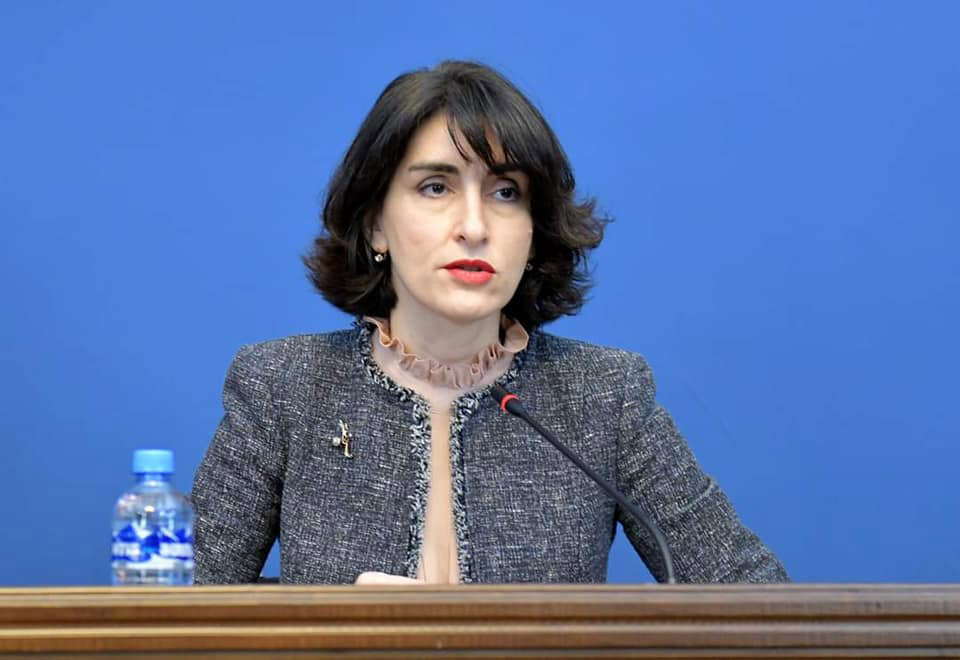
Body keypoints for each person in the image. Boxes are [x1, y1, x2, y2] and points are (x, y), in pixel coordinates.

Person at [191, 60, 789, 585]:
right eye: (435, 187)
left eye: (506, 193)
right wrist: (338, 634)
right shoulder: (286, 387)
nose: (474, 227)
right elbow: (176, 614)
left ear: (533, 231)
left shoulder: (605, 397)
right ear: (376, 225)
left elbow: (759, 607)